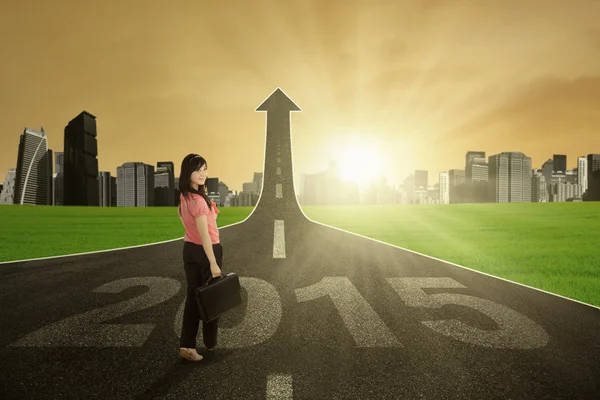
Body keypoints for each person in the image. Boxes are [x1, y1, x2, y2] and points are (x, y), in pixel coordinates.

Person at [177, 153, 222, 362]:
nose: (203, 174)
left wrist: (210, 213)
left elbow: (187, 220)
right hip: (207, 251)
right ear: (188, 172)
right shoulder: (199, 202)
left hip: (189, 250)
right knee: (212, 298)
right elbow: (205, 234)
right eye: (198, 170)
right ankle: (210, 343)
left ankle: (187, 345)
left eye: (205, 169)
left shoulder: (185, 197)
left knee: (193, 299)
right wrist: (213, 262)